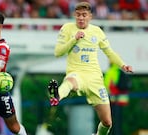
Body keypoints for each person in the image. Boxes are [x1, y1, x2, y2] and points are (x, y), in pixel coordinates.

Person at [47, 2, 133, 135]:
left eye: (84, 15)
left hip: (94, 79)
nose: (81, 18)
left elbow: (109, 52)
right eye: (78, 15)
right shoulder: (67, 28)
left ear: (90, 16)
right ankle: (57, 96)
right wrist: (73, 40)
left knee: (107, 122)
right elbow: (58, 52)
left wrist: (123, 65)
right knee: (70, 82)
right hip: (76, 73)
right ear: (74, 15)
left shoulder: (97, 31)